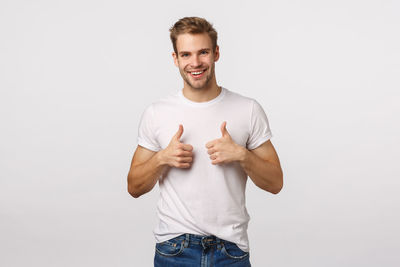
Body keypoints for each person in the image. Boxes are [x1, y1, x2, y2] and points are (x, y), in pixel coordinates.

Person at [127, 16, 283, 267]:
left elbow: (276, 183)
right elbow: (134, 187)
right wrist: (161, 159)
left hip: (231, 251)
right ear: (175, 59)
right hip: (175, 250)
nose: (195, 62)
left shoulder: (248, 109)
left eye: (203, 52)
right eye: (186, 54)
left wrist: (242, 155)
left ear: (216, 53)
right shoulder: (157, 113)